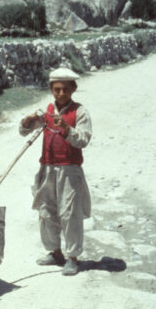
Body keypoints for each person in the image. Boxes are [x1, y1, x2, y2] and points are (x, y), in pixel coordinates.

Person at [19, 67, 92, 276]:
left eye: (66, 89)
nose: (61, 94)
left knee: (69, 213)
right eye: (57, 89)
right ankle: (55, 252)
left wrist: (66, 128)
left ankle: (72, 257)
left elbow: (84, 139)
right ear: (51, 89)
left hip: (70, 170)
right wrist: (27, 120)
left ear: (73, 89)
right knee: (46, 210)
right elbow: (24, 130)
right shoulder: (47, 110)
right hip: (48, 168)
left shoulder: (80, 112)